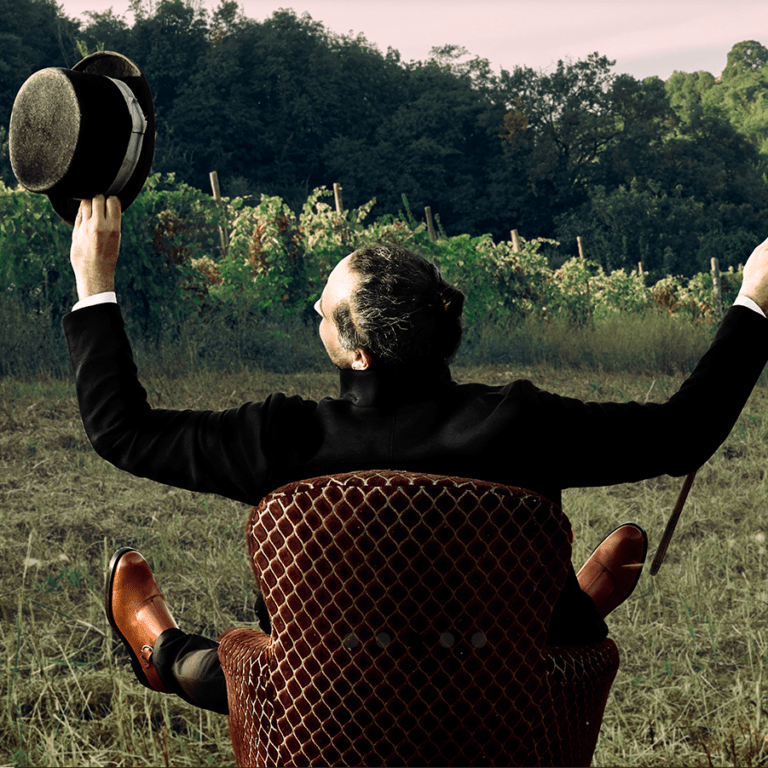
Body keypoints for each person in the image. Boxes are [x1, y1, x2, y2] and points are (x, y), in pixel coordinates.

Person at [66, 195, 768, 717]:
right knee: (543, 624)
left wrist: (94, 282)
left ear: (357, 353)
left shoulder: (280, 440)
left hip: (326, 701)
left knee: (259, 665)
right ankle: (568, 611)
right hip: (496, 688)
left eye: (324, 307)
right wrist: (754, 300)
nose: (316, 309)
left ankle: (162, 654)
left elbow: (122, 430)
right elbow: (685, 431)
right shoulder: (519, 424)